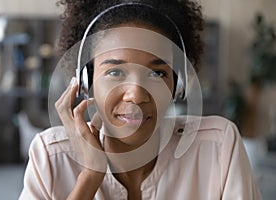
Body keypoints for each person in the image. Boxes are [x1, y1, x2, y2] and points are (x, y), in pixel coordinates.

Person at [19, 0, 262, 199]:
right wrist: (90, 177)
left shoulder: (218, 146)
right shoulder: (50, 157)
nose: (135, 95)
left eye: (157, 73)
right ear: (85, 82)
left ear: (177, 85)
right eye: (115, 72)